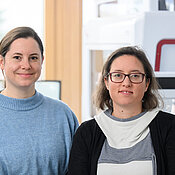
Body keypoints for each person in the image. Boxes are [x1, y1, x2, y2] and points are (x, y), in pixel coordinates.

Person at [67, 46, 175, 175]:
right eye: (118, 75)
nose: (126, 83)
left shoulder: (170, 127)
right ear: (106, 82)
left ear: (146, 83)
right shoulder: (87, 132)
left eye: (135, 75)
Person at [0, 26, 79, 175]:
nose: (26, 65)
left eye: (33, 58)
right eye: (17, 57)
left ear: (42, 61)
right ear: (2, 62)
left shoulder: (63, 114)